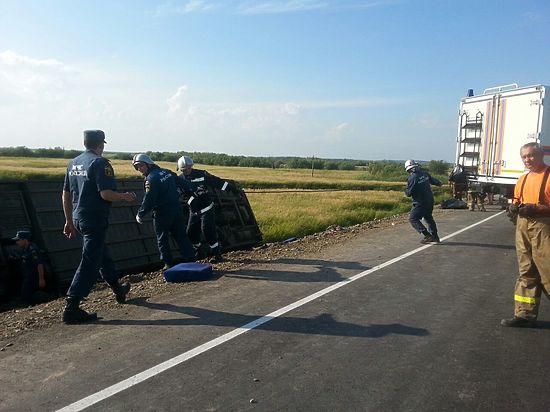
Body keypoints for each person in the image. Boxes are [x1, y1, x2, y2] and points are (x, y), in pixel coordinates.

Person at [62, 129, 136, 324]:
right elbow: (106, 194)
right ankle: (72, 305)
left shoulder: (73, 163)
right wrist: (125, 197)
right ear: (101, 144)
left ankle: (118, 289)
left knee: (101, 253)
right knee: (90, 260)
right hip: (94, 219)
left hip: (78, 218)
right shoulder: (100, 163)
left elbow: (66, 194)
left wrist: (69, 220)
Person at [501, 142, 550, 328]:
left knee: (548, 270)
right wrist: (513, 207)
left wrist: (537, 207)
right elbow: (517, 199)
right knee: (526, 270)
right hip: (523, 225)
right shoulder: (522, 179)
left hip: (544, 226)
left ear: (541, 155)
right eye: (524, 157)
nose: (528, 160)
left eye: (531, 155)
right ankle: (524, 314)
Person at [133, 153, 195, 269]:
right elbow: (184, 183)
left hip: (162, 213)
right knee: (181, 236)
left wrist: (140, 214)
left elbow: (149, 199)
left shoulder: (151, 179)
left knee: (162, 238)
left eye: (141, 166)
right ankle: (190, 259)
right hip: (176, 209)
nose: (139, 169)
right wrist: (194, 189)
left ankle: (168, 263)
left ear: (148, 164)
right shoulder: (167, 172)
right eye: (137, 167)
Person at [176, 156, 240, 263]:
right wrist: (192, 196)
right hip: (194, 211)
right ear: (180, 169)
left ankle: (217, 254)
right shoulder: (180, 179)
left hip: (206, 208)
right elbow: (179, 194)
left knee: (207, 231)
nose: (187, 171)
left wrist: (232, 189)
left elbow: (217, 182)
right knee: (190, 233)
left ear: (192, 166)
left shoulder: (202, 174)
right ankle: (199, 250)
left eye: (188, 168)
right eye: (184, 169)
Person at [404, 159, 442, 243]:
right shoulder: (424, 173)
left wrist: (406, 190)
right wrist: (439, 183)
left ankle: (427, 235)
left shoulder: (412, 178)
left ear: (408, 169)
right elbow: (435, 181)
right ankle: (435, 236)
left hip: (420, 202)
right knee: (428, 218)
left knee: (413, 219)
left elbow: (408, 193)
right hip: (430, 200)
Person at [11, 230, 47, 306]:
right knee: (25, 295)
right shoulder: (25, 249)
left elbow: (39, 264)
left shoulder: (32, 249)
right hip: (28, 276)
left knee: (26, 295)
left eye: (18, 240)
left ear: (25, 240)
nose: (17, 242)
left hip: (33, 277)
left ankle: (43, 300)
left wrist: (41, 279)